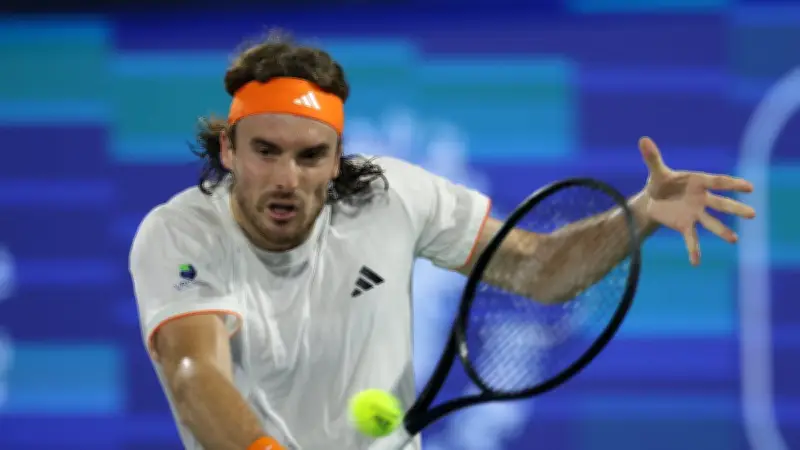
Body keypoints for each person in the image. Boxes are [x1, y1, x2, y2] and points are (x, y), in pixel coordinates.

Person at [128, 33, 756, 450]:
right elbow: (193, 373)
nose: (286, 178)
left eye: (310, 156)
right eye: (265, 152)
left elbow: (542, 271)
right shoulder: (180, 233)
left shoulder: (395, 196)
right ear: (228, 150)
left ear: (337, 159)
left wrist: (643, 212)